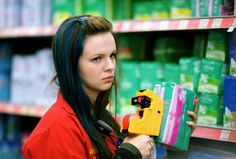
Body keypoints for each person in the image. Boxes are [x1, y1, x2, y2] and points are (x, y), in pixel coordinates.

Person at [21, 15, 197, 159]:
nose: (110, 66)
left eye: (112, 55)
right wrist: (128, 156)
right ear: (71, 65)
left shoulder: (100, 118)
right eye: (97, 59)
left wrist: (176, 147)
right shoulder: (56, 132)